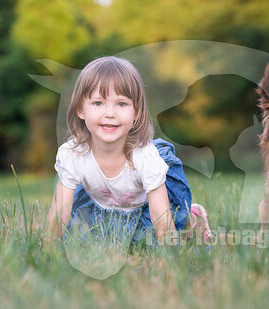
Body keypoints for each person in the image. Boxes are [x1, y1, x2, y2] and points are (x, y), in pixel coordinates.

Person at [48, 56, 212, 245]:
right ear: (80, 110)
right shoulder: (72, 154)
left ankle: (190, 219)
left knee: (146, 241)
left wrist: (166, 256)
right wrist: (48, 250)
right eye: (98, 103)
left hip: (144, 209)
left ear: (136, 113)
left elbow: (160, 218)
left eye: (122, 104)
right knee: (83, 239)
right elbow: (59, 213)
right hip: (100, 210)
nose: (110, 113)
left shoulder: (144, 156)